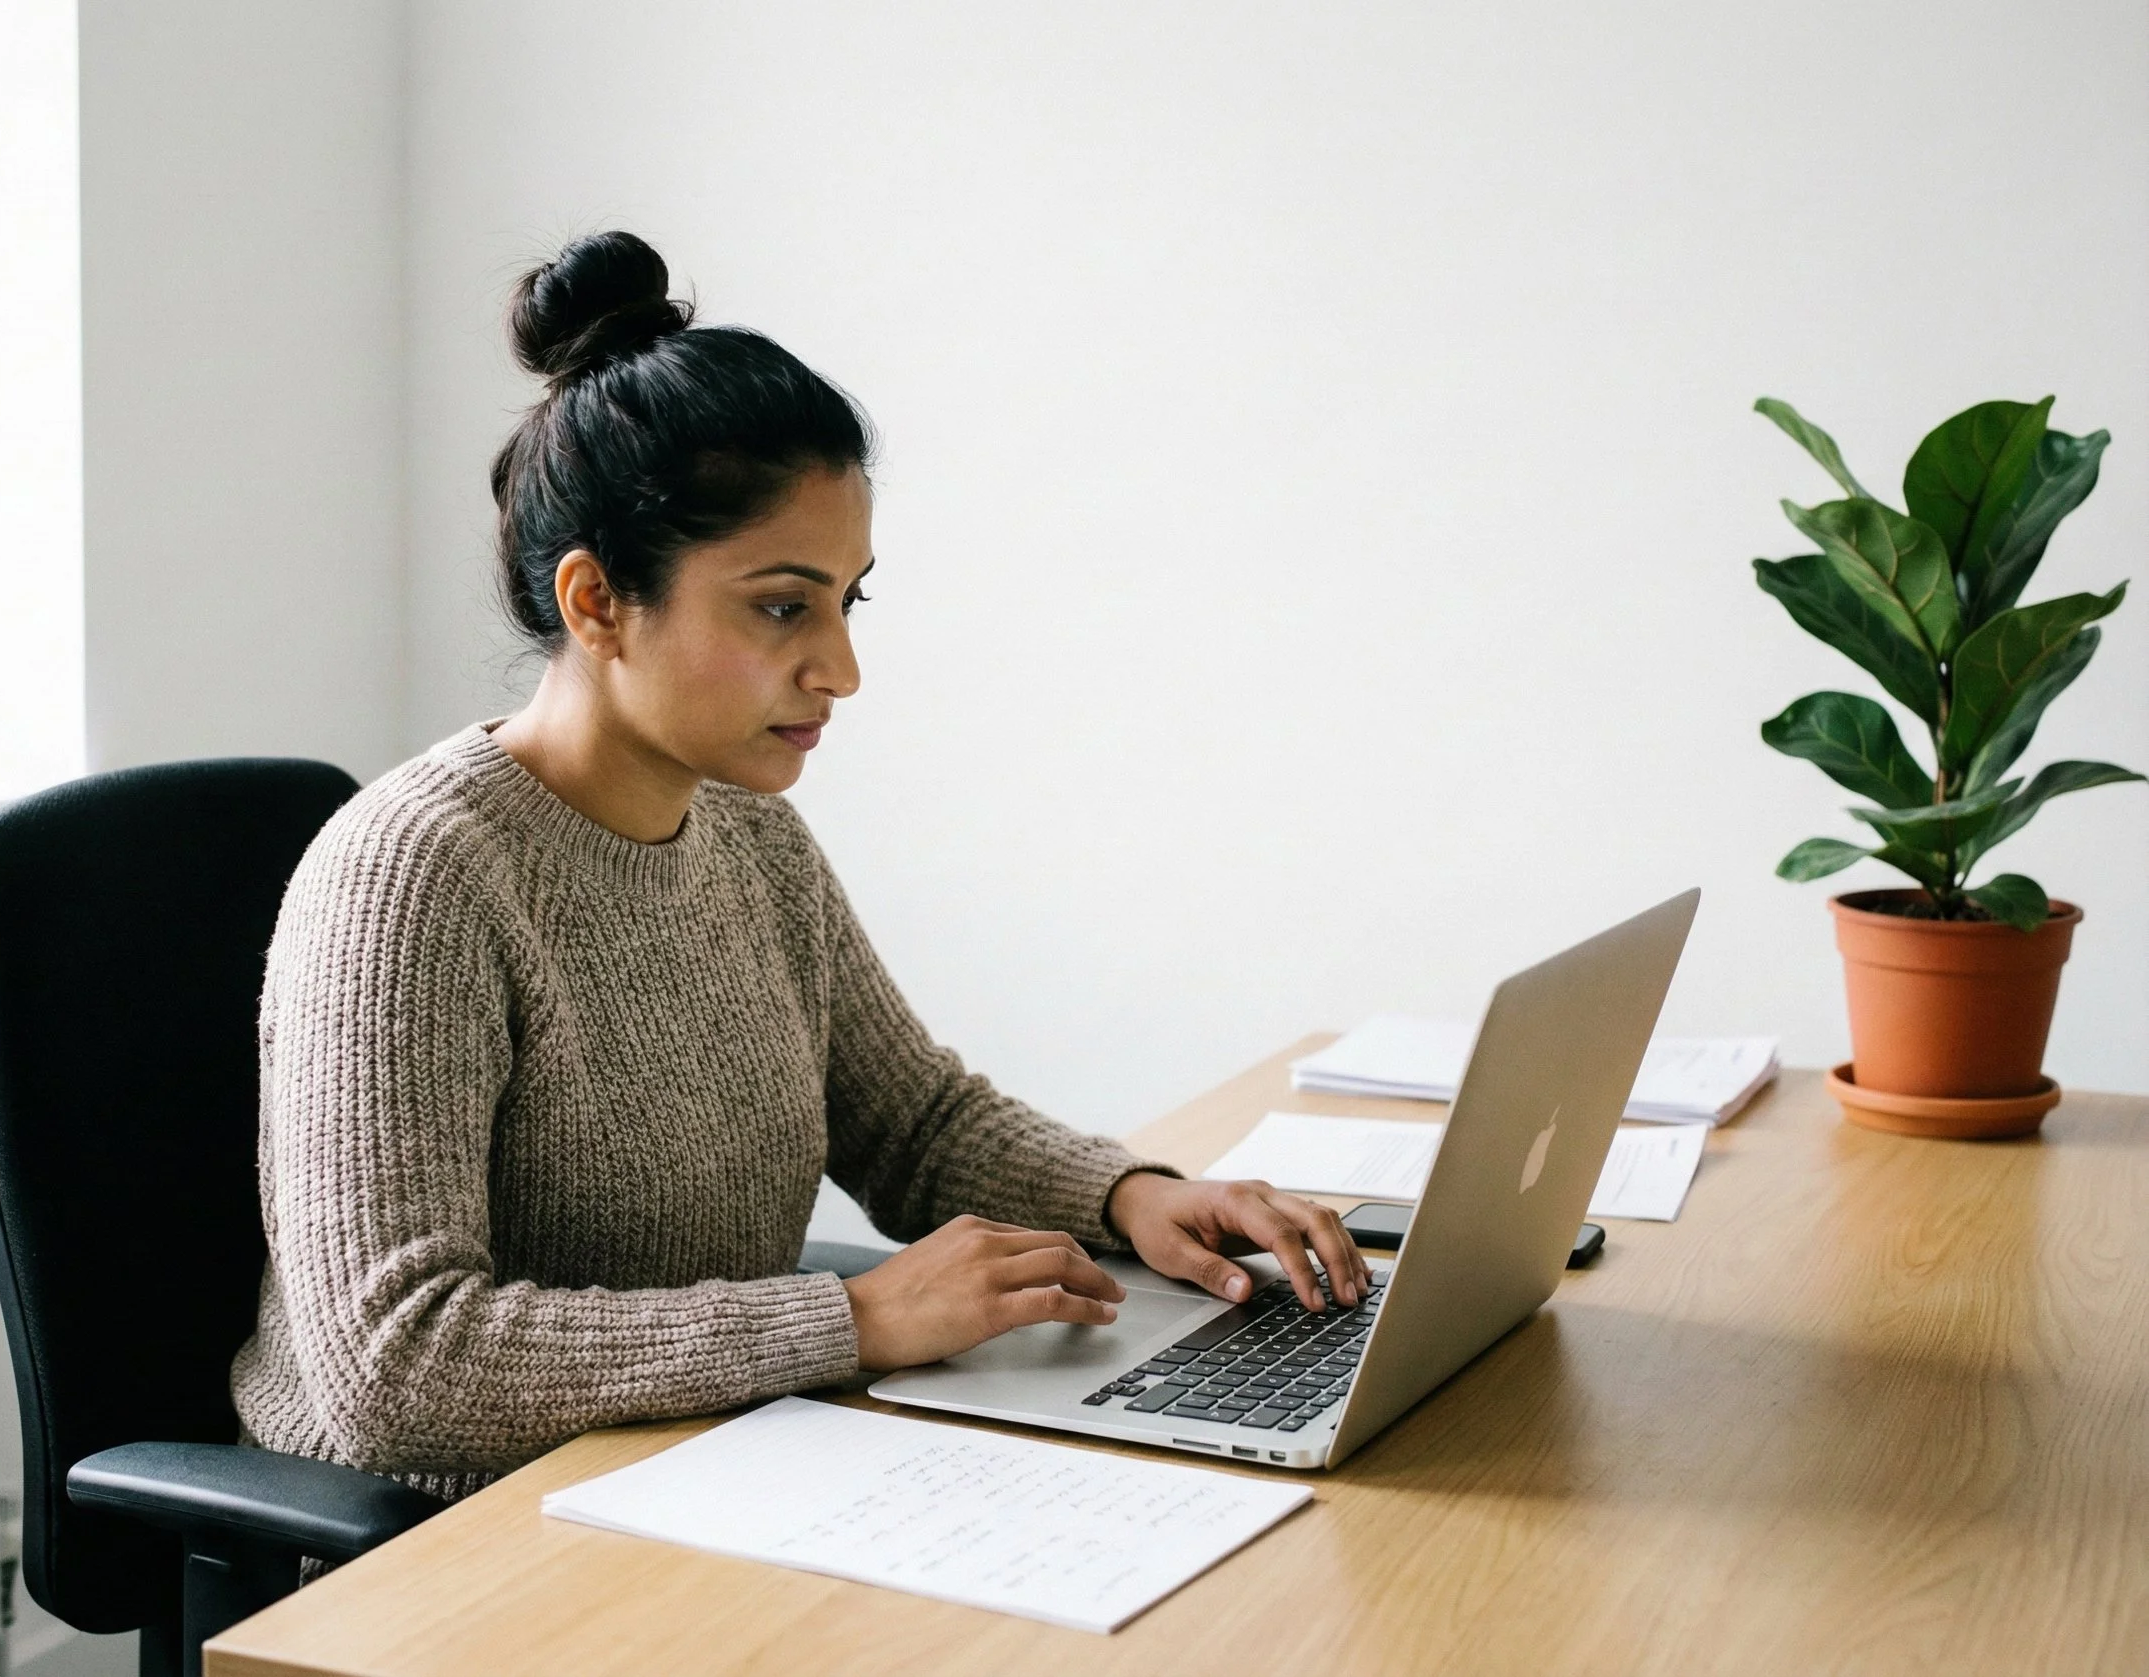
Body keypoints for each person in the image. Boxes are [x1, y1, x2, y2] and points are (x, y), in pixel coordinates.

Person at [231, 231, 1368, 1500]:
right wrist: (854, 1322)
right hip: (438, 1538)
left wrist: (1135, 1196)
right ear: (598, 601)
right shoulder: (415, 880)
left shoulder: (747, 832)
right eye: (782, 606)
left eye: (847, 600)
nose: (840, 668)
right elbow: (394, 1367)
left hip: (704, 1469)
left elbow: (912, 1121)